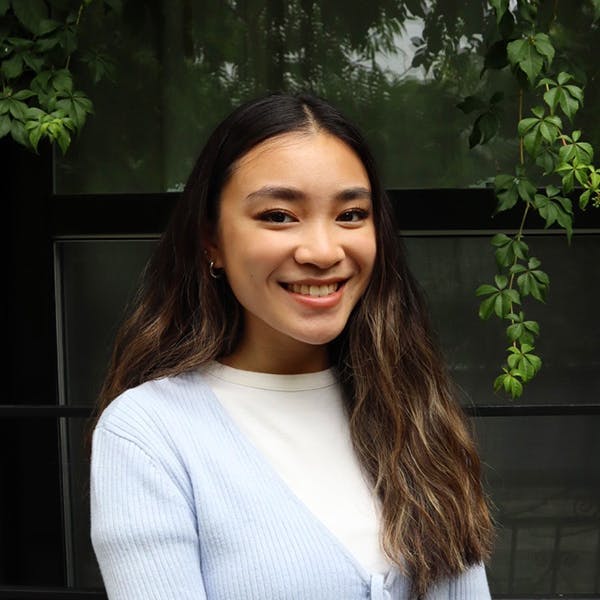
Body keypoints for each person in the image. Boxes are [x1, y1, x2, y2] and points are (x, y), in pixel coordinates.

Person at [90, 92, 494, 600]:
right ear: (210, 240)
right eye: (279, 216)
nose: (324, 252)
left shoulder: (413, 410)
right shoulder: (149, 433)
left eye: (350, 215)